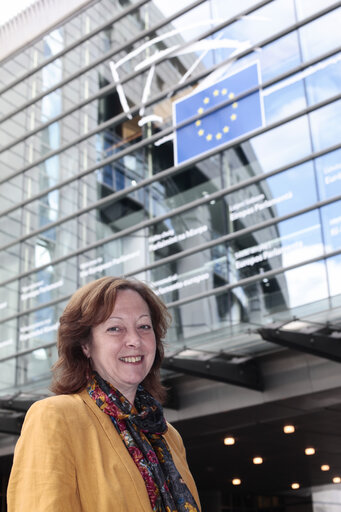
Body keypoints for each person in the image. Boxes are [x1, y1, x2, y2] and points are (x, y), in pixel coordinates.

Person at [7, 276, 201, 512]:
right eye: (115, 328)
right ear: (85, 345)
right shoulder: (54, 417)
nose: (134, 340)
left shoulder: (168, 435)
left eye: (144, 326)